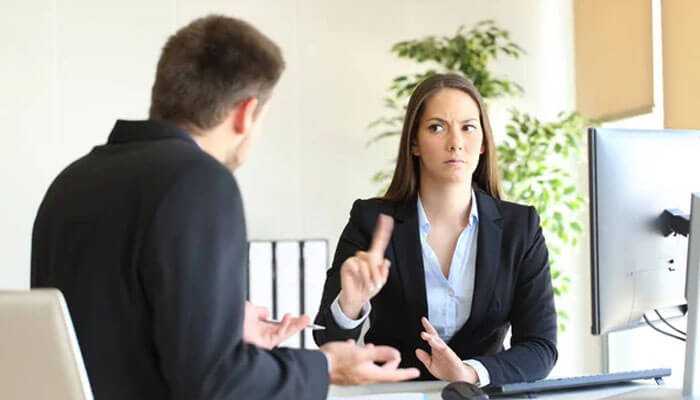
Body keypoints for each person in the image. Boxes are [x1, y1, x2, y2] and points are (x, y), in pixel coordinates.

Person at [31, 15, 418, 400]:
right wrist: (328, 366)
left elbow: (116, 339)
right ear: (246, 112)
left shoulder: (72, 182)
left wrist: (225, 331)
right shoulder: (199, 181)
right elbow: (216, 382)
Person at [314, 73, 558, 387]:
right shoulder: (371, 220)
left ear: (483, 142)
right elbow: (328, 343)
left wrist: (469, 373)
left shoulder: (519, 227)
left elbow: (540, 347)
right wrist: (350, 304)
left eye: (468, 127)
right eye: (437, 127)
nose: (455, 142)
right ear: (414, 143)